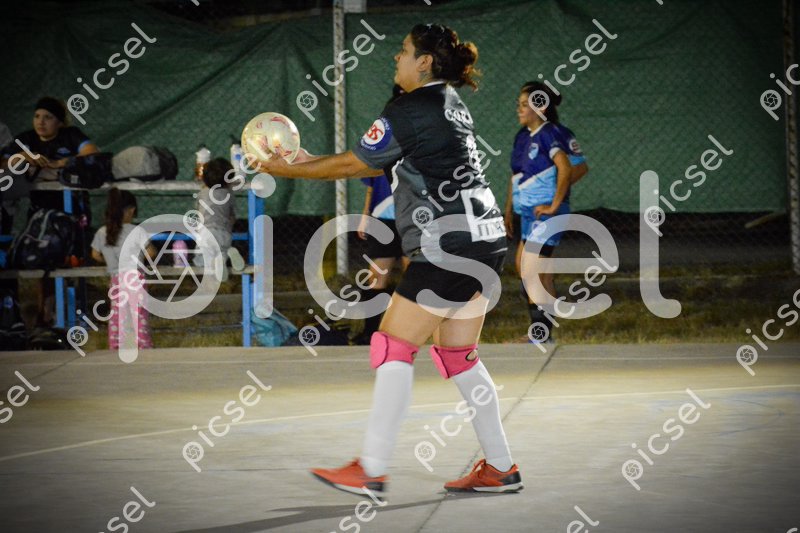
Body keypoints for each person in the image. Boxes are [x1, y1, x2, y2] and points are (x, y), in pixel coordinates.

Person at [257, 23, 522, 496]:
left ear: (424, 61)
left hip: (448, 244)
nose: (396, 58)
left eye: (403, 51)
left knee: (392, 346)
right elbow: (364, 158)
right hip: (485, 239)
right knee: (458, 356)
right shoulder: (450, 102)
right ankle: (500, 466)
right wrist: (300, 159)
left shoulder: (408, 108)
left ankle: (372, 469)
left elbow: (354, 165)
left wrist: (285, 168)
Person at [0, 97, 100, 325]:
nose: (41, 122)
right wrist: (23, 157)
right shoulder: (26, 140)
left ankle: (74, 314)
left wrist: (59, 163)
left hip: (71, 211)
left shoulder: (70, 135)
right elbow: (3, 162)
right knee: (42, 262)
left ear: (59, 122)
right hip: (40, 215)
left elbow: (92, 153)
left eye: (48, 117)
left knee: (72, 262)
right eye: (37, 116)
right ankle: (46, 316)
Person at [508, 82, 573, 344]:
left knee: (531, 269)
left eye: (525, 105)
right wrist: (508, 209)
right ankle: (542, 331)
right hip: (528, 214)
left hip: (545, 214)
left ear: (540, 108)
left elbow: (566, 168)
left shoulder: (549, 134)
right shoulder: (524, 136)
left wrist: (554, 205)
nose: (519, 109)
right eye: (519, 104)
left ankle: (540, 334)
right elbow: (516, 177)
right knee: (528, 269)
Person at [354, 85, 408, 345]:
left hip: (413, 218)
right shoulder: (381, 138)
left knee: (414, 275)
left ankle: (409, 332)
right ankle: (371, 333)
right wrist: (365, 215)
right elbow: (371, 183)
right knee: (377, 275)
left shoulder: (424, 137)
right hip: (383, 218)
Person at [90, 188, 154, 350]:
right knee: (138, 313)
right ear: (131, 210)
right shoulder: (136, 231)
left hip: (116, 279)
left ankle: (116, 343)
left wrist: (109, 261)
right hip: (135, 277)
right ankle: (143, 344)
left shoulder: (102, 232)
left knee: (117, 313)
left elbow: (95, 254)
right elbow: (151, 253)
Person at [192, 157, 244, 278]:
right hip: (224, 232)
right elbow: (232, 216)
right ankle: (226, 256)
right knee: (222, 251)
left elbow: (197, 212)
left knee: (201, 260)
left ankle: (216, 266)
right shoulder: (229, 194)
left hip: (206, 233)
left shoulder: (202, 194)